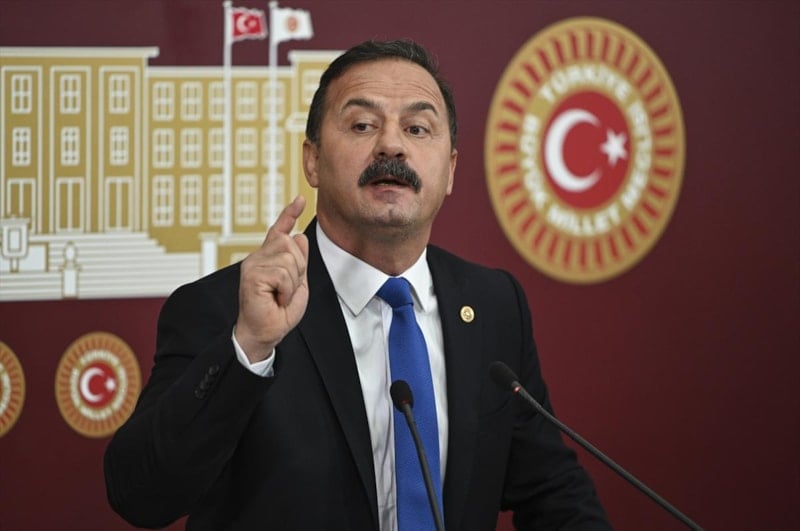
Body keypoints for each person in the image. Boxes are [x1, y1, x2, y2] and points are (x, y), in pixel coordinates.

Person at [104, 39, 610, 530]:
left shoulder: (494, 304)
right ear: (312, 161)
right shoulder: (225, 309)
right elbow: (141, 496)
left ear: (451, 169)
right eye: (363, 124)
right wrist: (249, 348)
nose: (392, 145)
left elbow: (550, 490)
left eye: (417, 128)